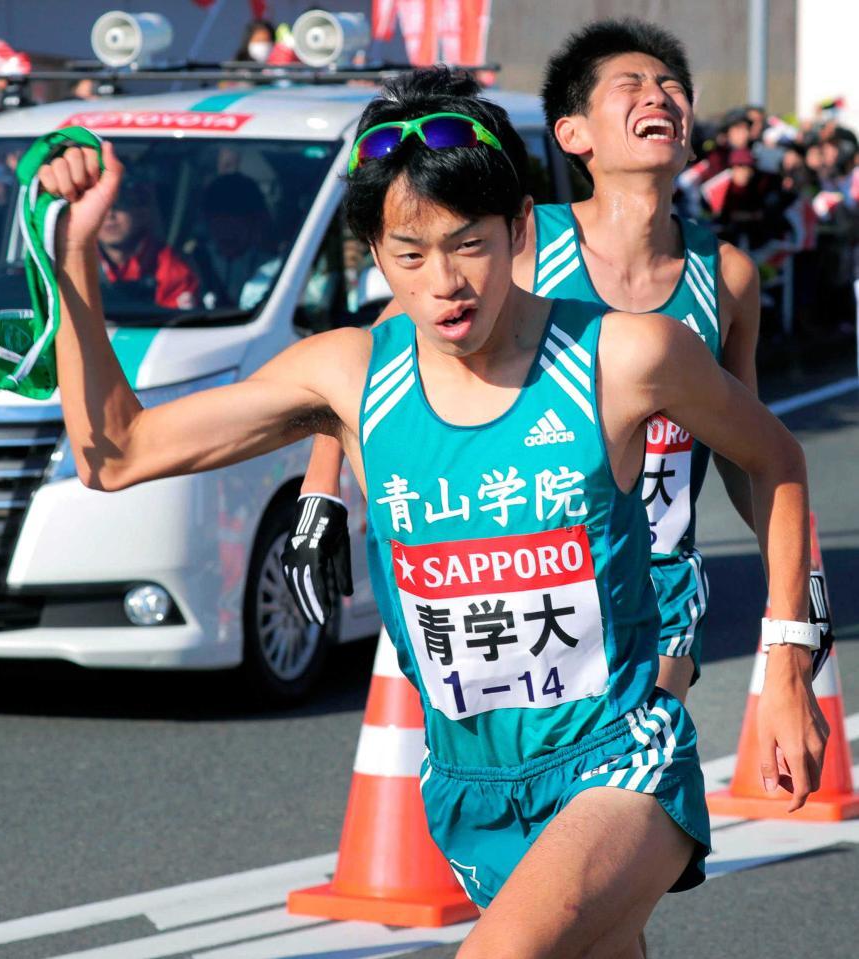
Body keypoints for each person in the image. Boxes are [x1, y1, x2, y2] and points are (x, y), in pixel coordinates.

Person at [41, 67, 826, 957]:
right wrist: (74, 251)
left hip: (618, 756)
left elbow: (776, 457)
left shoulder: (627, 355)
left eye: (471, 246)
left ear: (520, 230)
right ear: (374, 257)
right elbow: (118, 452)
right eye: (410, 256)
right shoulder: (346, 372)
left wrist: (789, 667)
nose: (446, 283)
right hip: (470, 782)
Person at [286, 19, 758, 706]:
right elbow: (380, 352)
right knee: (532, 792)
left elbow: (751, 455)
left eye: (671, 87)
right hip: (526, 566)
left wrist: (795, 599)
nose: (658, 96)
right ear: (573, 135)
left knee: (633, 776)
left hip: (657, 582)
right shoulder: (523, 239)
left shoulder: (726, 277)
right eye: (630, 85)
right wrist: (321, 489)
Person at [96, 176, 198, 311]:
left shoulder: (172, 268)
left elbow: (176, 326)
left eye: (120, 205)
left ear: (143, 212)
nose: (109, 215)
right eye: (101, 207)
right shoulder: (76, 262)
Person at [186, 172, 280, 310]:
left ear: (253, 223)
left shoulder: (273, 269)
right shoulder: (191, 264)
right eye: (219, 223)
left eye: (235, 224)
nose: (226, 233)